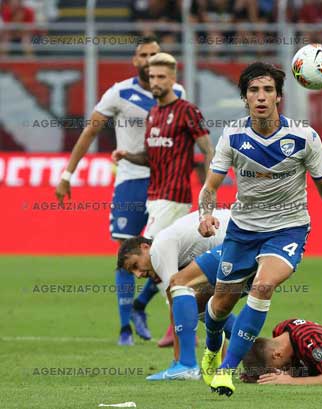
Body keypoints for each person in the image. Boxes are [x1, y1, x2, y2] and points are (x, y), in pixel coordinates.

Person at [196, 62, 322, 396]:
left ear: (279, 97)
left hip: (289, 229)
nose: (261, 97)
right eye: (253, 90)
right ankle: (213, 345)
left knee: (262, 287)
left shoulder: (304, 138)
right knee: (218, 309)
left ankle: (227, 370)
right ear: (245, 98)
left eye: (268, 90)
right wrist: (205, 214)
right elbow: (210, 187)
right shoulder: (232, 135)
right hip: (243, 232)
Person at [55, 37, 186, 346]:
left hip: (166, 183)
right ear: (135, 60)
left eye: (155, 54)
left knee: (165, 252)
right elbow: (90, 131)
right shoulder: (119, 93)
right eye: (144, 55)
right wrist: (67, 174)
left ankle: (142, 305)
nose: (150, 59)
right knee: (127, 253)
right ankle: (125, 326)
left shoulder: (176, 92)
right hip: (130, 180)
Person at [112, 51, 213, 347]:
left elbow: (208, 149)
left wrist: (209, 185)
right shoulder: (153, 115)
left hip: (174, 196)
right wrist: (127, 155)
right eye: (151, 77)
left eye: (160, 77)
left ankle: (181, 327)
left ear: (172, 78)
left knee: (152, 259)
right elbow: (152, 157)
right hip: (154, 196)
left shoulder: (186, 111)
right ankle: (183, 323)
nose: (155, 82)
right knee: (171, 266)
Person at [117, 209, 244, 380]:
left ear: (145, 247)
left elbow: (176, 298)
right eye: (132, 272)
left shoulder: (158, 249)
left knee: (182, 294)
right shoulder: (176, 250)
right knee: (203, 307)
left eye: (135, 265)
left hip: (236, 240)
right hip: (246, 241)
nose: (138, 274)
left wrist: (178, 360)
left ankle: (187, 364)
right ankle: (253, 352)